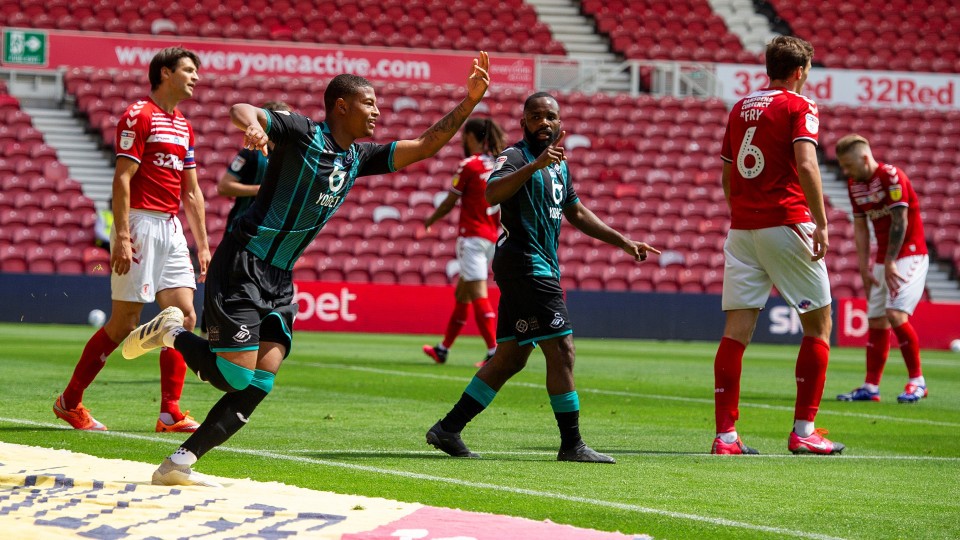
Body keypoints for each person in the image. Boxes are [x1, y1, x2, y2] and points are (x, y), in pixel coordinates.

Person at [122, 52, 492, 486]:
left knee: (261, 379)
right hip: (244, 261)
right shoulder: (301, 131)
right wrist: (256, 126)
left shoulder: (359, 157)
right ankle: (171, 331)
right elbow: (240, 109)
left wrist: (469, 102)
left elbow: (425, 146)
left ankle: (179, 463)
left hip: (280, 279)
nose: (377, 112)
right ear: (342, 106)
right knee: (235, 374)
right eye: (369, 103)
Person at [425, 92, 660, 464]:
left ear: (560, 124)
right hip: (526, 264)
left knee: (511, 357)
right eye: (535, 116)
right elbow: (491, 193)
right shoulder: (516, 157)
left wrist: (623, 241)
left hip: (535, 266)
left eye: (550, 117)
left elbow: (577, 213)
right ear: (523, 122)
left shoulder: (559, 166)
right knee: (562, 349)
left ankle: (448, 428)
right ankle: (572, 444)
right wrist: (533, 167)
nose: (543, 123)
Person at [53, 47, 210, 433]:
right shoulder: (139, 115)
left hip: (171, 228)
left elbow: (192, 192)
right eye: (188, 70)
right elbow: (122, 178)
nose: (195, 77)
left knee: (185, 316)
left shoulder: (183, 125)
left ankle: (169, 411)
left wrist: (202, 244)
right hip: (139, 224)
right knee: (124, 323)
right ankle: (69, 402)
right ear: (166, 73)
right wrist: (120, 235)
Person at [711, 36, 844, 456]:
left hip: (743, 228)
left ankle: (726, 437)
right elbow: (806, 163)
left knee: (736, 332)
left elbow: (728, 175)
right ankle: (804, 430)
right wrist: (821, 223)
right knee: (818, 325)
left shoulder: (739, 107)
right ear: (801, 71)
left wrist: (742, 211)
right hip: (786, 221)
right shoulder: (799, 106)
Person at [834, 134, 929, 404]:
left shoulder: (891, 176)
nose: (845, 171)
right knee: (876, 320)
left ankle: (917, 381)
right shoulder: (855, 185)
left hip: (910, 254)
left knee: (895, 314)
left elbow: (899, 221)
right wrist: (865, 266)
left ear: (865, 158)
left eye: (848, 165)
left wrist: (889, 261)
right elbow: (861, 227)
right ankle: (871, 386)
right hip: (882, 260)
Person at [199, 100, 292, 336]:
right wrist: (261, 189)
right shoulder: (251, 153)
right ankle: (210, 338)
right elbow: (224, 186)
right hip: (241, 233)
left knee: (264, 301)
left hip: (271, 240)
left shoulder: (293, 156)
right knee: (228, 292)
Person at [422, 118, 505, 368]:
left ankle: (494, 352)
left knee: (478, 293)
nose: (461, 140)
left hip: (472, 237)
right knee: (463, 294)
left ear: (471, 136)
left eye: (463, 135)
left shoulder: (470, 165)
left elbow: (450, 201)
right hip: (492, 236)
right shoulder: (501, 165)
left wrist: (430, 220)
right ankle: (443, 349)